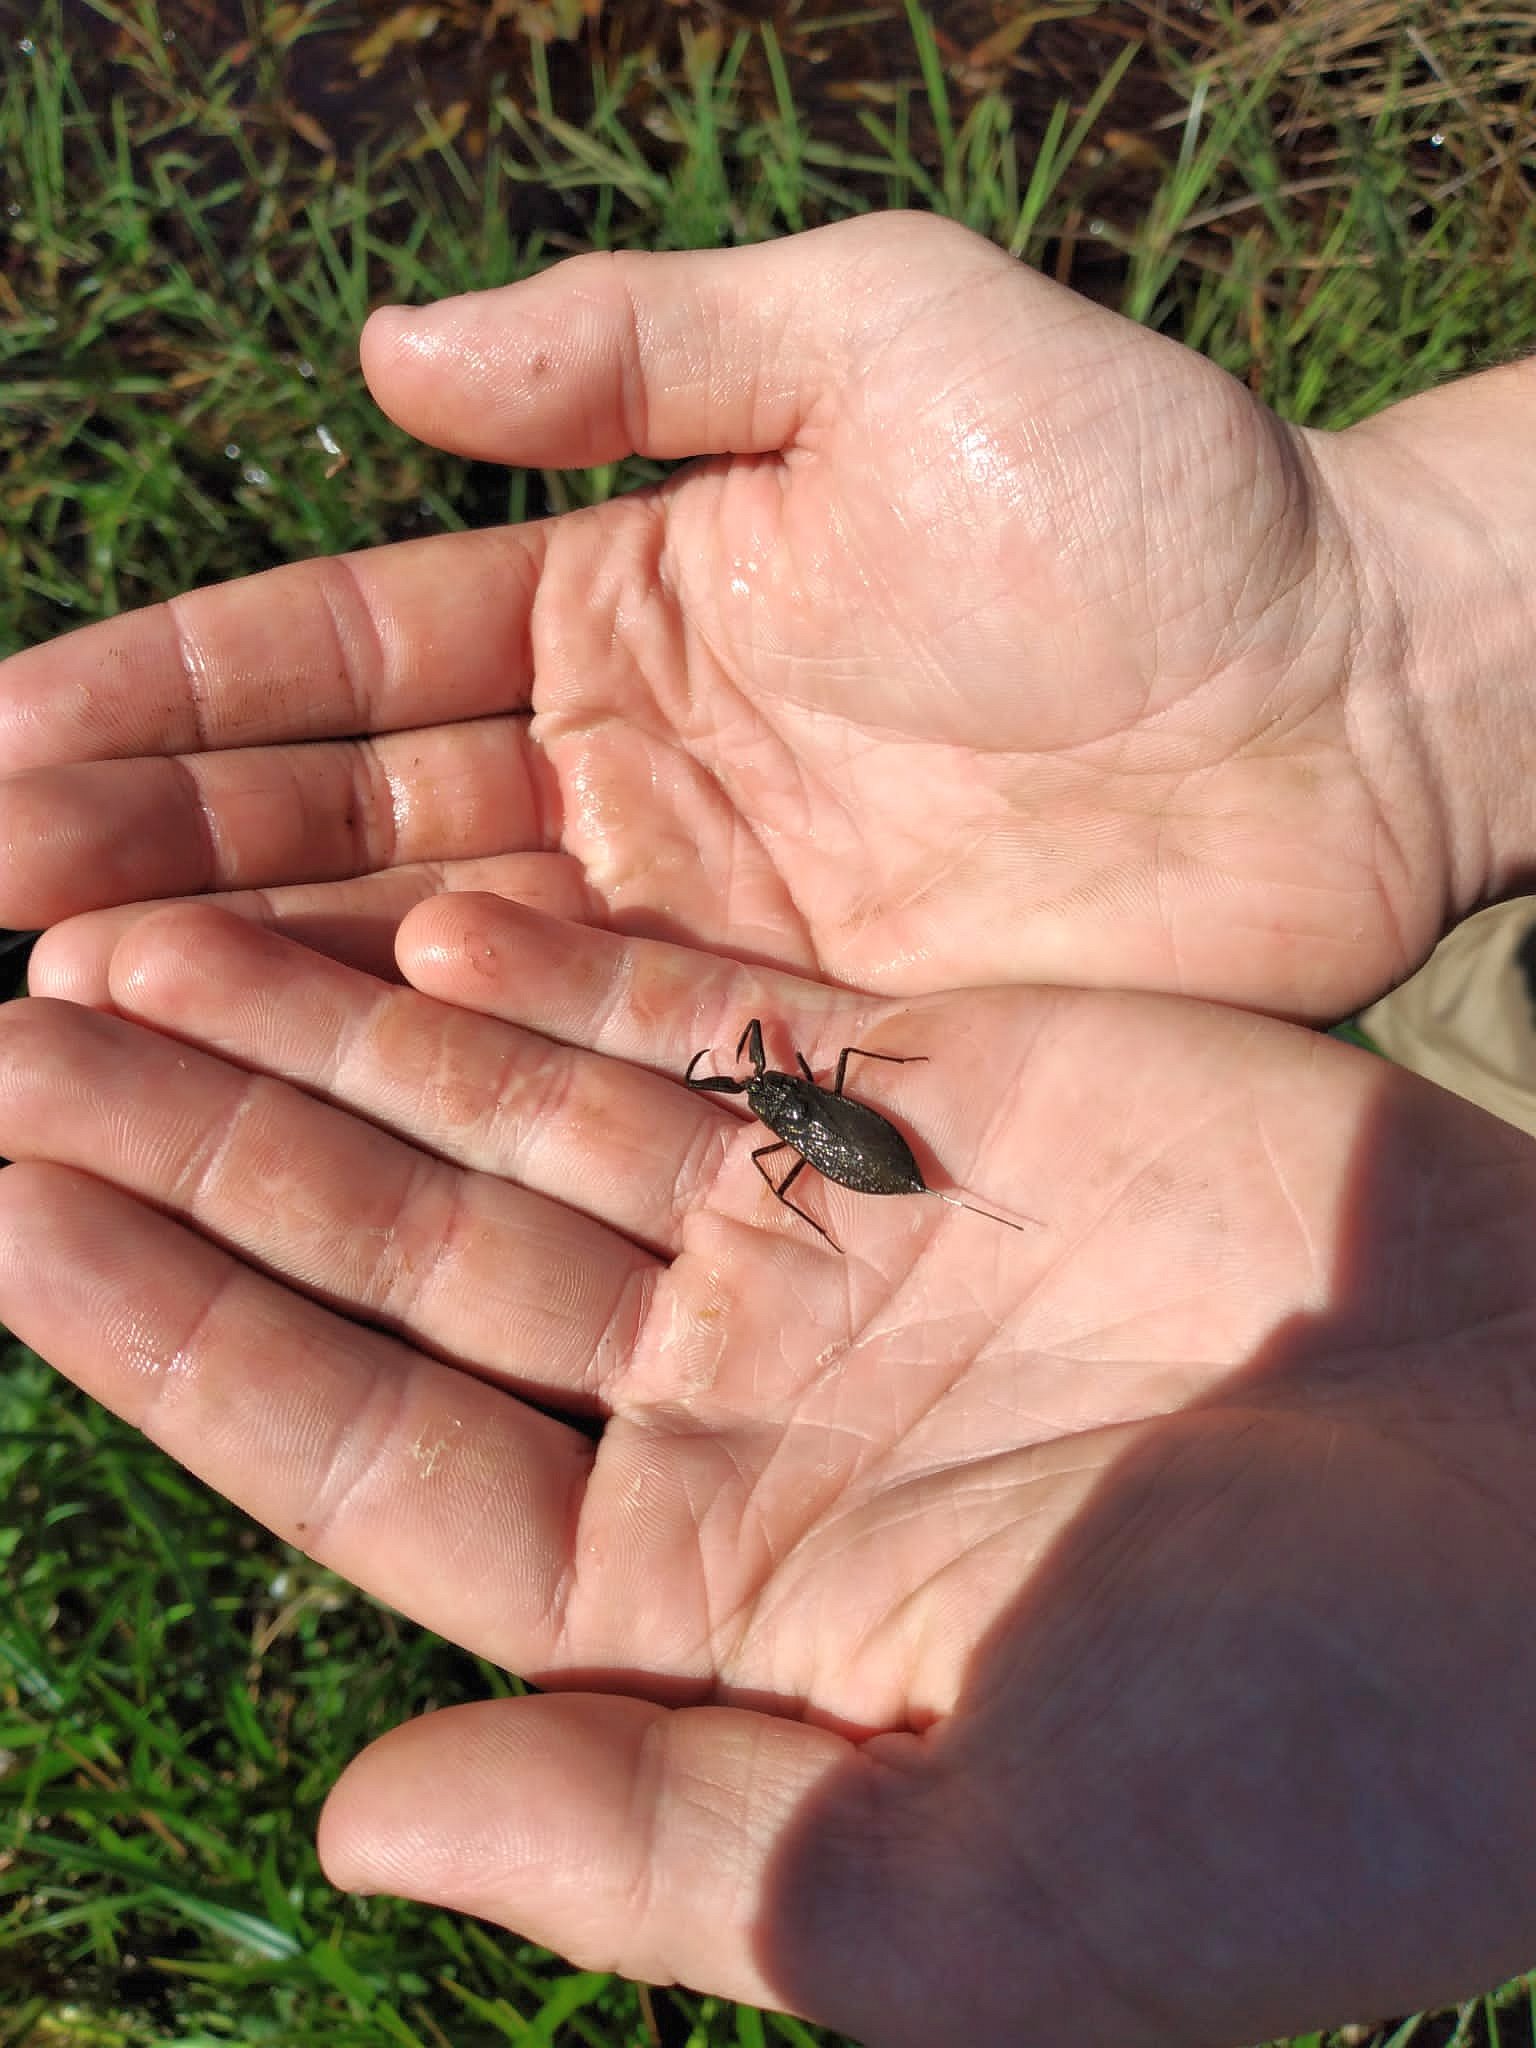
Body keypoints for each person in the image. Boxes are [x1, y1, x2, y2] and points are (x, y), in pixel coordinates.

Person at [2, 211, 1534, 2047]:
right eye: (759, 1103)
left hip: (909, 1146)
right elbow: (801, 1118)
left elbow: (812, 1116)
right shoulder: (793, 1113)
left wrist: (1385, 633)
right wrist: (1400, 631)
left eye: (761, 1095)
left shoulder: (803, 1117)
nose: (759, 1102)